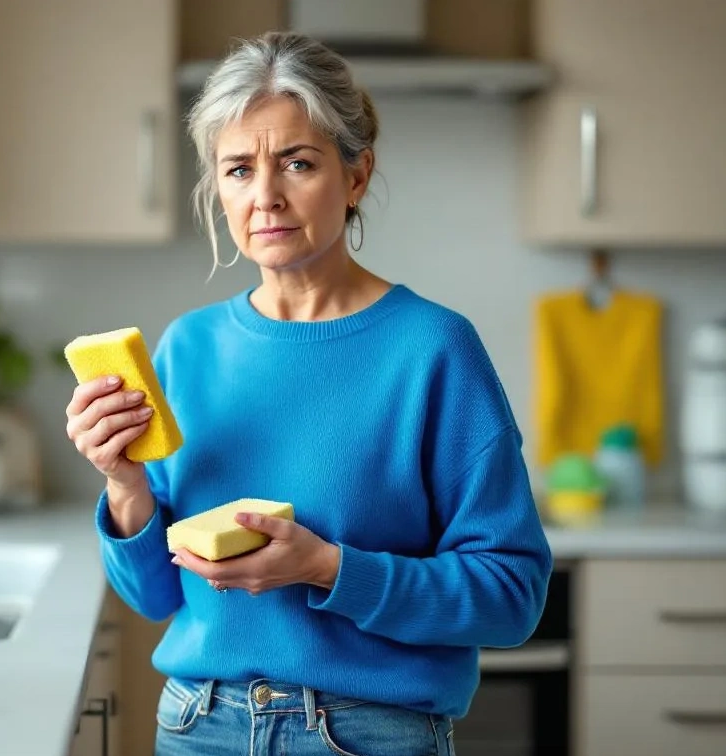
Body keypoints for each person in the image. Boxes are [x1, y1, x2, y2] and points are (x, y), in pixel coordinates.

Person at [64, 31, 553, 756]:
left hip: (370, 732)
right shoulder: (188, 349)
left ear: (356, 177)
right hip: (200, 727)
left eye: (297, 162)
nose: (265, 197)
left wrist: (328, 568)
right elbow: (155, 598)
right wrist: (124, 481)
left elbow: (510, 598)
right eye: (237, 169)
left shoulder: (432, 350)